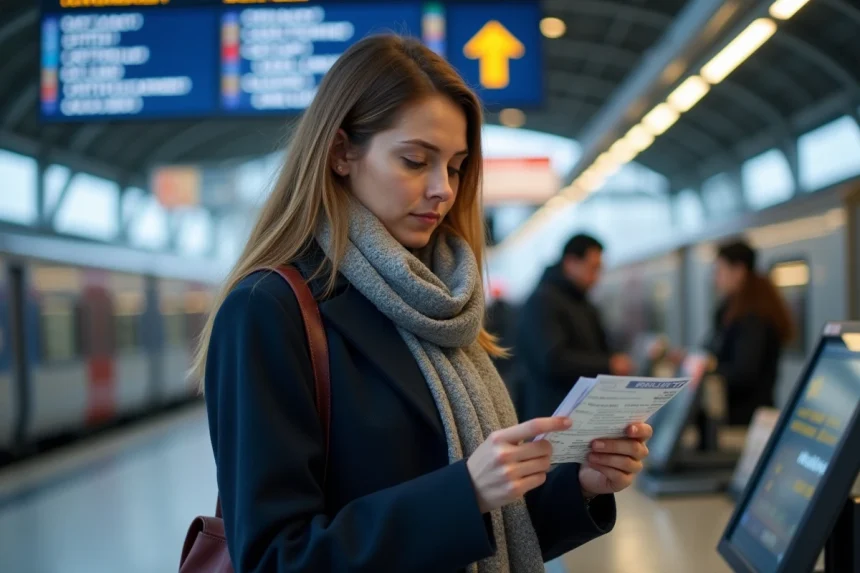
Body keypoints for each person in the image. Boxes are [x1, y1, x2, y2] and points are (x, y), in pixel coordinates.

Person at [193, 35, 653, 573]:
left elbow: (496, 533)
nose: (443, 189)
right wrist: (463, 493)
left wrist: (580, 486)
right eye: (415, 160)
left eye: (456, 166)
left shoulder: (444, 305)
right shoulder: (268, 311)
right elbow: (274, 558)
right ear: (341, 151)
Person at [515, 233, 634, 421]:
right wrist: (608, 364)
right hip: (552, 415)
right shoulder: (542, 301)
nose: (597, 277)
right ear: (571, 262)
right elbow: (552, 360)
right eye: (593, 268)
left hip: (583, 413)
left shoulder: (583, 302)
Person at [708, 239, 794, 425]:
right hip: (744, 414)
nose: (716, 278)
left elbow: (744, 372)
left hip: (748, 418)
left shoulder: (754, 316)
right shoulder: (733, 308)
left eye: (720, 271)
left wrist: (708, 373)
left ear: (738, 271)